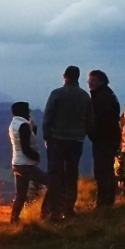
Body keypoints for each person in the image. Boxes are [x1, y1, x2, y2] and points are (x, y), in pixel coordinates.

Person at [41, 66, 94, 220]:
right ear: (78, 77)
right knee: (72, 173)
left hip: (57, 140)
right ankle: (69, 209)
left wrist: (47, 137)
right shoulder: (85, 96)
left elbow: (48, 117)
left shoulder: (57, 93)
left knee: (55, 174)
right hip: (76, 141)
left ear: (65, 76)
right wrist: (81, 133)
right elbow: (90, 120)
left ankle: (53, 211)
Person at [8, 101, 47, 223]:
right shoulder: (23, 126)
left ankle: (14, 219)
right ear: (23, 111)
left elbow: (23, 141)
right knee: (51, 183)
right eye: (27, 110)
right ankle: (46, 212)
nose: (29, 112)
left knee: (21, 194)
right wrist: (36, 156)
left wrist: (33, 129)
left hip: (17, 163)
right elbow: (25, 147)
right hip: (26, 164)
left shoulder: (14, 124)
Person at [87, 70, 121, 208]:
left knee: (102, 171)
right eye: (89, 80)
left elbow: (100, 120)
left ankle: (103, 202)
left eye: (93, 80)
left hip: (104, 139)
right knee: (106, 170)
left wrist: (92, 134)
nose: (90, 82)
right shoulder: (107, 94)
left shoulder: (102, 97)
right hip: (109, 137)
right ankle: (107, 200)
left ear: (101, 81)